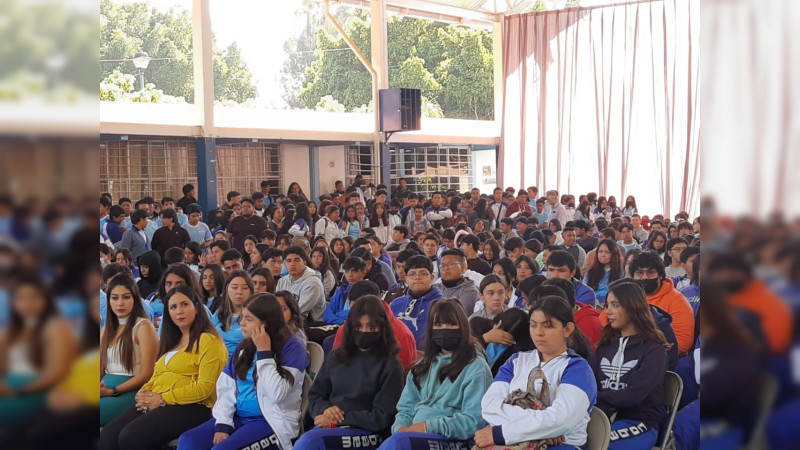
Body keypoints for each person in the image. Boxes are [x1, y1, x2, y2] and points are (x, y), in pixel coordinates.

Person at [99, 285, 228, 450]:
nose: (179, 311)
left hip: (195, 406)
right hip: (159, 400)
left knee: (131, 436)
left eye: (184, 304)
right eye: (173, 307)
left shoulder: (209, 340)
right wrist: (143, 392)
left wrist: (162, 398)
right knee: (107, 437)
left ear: (196, 308)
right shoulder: (172, 342)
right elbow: (156, 375)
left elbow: (205, 388)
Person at [177, 293, 308, 450]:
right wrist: (224, 424)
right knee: (188, 441)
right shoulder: (244, 346)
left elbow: (277, 394)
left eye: (249, 319)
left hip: (271, 422)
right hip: (237, 416)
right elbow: (226, 387)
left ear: (266, 323)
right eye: (242, 318)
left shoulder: (293, 348)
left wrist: (264, 352)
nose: (242, 324)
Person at [475, 296, 596, 449]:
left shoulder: (577, 369)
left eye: (548, 326)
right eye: (533, 325)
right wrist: (543, 431)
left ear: (567, 329)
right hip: (517, 442)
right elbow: (489, 406)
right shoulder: (516, 361)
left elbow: (561, 419)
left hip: (562, 445)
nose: (539, 332)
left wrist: (503, 432)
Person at [380, 299, 493, 449]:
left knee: (401, 443)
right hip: (412, 436)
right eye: (438, 325)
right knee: (398, 440)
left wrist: (427, 427)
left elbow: (474, 421)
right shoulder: (421, 366)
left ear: (463, 327)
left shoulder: (477, 368)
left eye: (452, 324)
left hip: (456, 440)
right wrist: (401, 429)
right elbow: (405, 408)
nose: (444, 329)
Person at [295, 296, 404, 449]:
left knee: (312, 441)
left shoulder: (390, 365)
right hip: (330, 425)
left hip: (368, 432)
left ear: (382, 328)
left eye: (371, 327)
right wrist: (325, 409)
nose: (364, 331)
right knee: (310, 439)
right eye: (358, 326)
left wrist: (340, 419)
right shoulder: (336, 356)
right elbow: (315, 395)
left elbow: (382, 417)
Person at [592, 280, 670, 449]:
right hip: (601, 417)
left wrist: (595, 397)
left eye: (615, 305)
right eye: (607, 305)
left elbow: (634, 395)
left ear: (633, 307)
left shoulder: (653, 350)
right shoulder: (605, 345)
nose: (609, 311)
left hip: (639, 422)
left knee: (596, 444)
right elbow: (590, 381)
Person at [0, 274, 77, 429]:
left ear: (45, 299)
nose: (27, 303)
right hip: (10, 388)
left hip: (38, 392)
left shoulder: (55, 326)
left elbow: (58, 372)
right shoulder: (10, 331)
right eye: (20, 298)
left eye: (34, 297)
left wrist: (19, 391)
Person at [601, 251, 695, 356]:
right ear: (632, 276)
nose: (645, 277)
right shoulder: (622, 297)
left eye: (651, 273)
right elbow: (602, 328)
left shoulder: (677, 300)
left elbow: (682, 343)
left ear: (660, 275)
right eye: (639, 273)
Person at [100, 275, 158, 427]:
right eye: (114, 298)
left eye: (126, 297)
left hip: (129, 393)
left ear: (135, 299)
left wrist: (113, 390)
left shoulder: (143, 327)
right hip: (104, 390)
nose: (120, 303)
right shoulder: (106, 329)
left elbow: (147, 373)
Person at [707, 252, 793, 355]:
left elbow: (777, 343)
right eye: (720, 273)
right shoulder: (711, 298)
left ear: (746, 274)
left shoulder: (767, 301)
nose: (726, 277)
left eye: (733, 272)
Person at [390, 255, 445, 350]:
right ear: (406, 278)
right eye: (412, 274)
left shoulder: (443, 305)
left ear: (432, 277)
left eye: (423, 273)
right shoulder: (396, 304)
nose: (417, 277)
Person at [275, 246, 326, 323]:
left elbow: (300, 312)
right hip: (286, 320)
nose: (292, 264)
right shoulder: (282, 281)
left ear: (304, 263)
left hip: (311, 324)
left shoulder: (313, 283)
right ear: (284, 264)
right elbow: (276, 305)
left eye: (297, 260)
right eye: (289, 261)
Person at [212, 271, 254, 355]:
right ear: (227, 290)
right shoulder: (218, 314)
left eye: (245, 288)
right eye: (234, 287)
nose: (239, 292)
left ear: (251, 291)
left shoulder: (255, 316)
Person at [583, 239, 625, 304]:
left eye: (607, 252)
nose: (603, 255)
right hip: (592, 304)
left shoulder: (622, 272)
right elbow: (584, 291)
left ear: (614, 254)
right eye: (600, 251)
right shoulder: (591, 271)